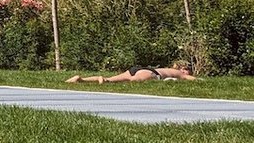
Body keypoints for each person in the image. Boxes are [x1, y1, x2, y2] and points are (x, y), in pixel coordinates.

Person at [66, 65, 197, 84]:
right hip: (150, 72)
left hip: (139, 68)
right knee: (134, 81)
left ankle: (81, 79)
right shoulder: (181, 73)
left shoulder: (169, 68)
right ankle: (101, 80)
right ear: (184, 69)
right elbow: (194, 79)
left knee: (109, 80)